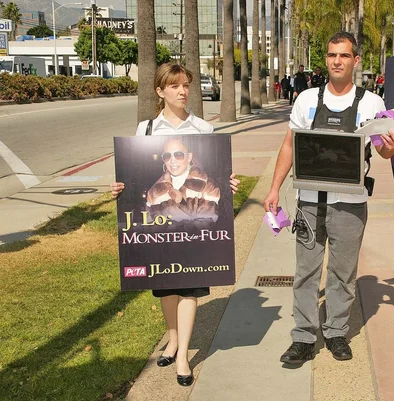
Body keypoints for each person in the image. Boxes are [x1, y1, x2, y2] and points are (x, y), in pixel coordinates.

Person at [263, 31, 394, 365]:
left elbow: (384, 151)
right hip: (309, 201)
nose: (337, 61)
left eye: (344, 55)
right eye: (332, 55)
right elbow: (288, 145)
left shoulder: (372, 103)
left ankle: (336, 332)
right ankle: (304, 338)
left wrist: (392, 144)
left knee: (342, 272)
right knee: (306, 272)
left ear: (355, 60)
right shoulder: (307, 99)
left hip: (350, 204)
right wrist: (274, 187)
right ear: (326, 59)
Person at [110, 62, 240, 387]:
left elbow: (217, 182)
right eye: (175, 86)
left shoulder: (203, 131)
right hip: (161, 231)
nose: (182, 91)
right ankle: (172, 339)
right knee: (166, 288)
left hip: (195, 231)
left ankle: (183, 356)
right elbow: (134, 180)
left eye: (185, 85)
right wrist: (119, 188)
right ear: (160, 91)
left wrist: (229, 183)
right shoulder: (147, 131)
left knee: (188, 288)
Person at [146, 137, 221, 225]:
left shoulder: (207, 186)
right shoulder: (154, 192)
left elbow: (207, 224)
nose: (172, 161)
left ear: (189, 157)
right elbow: (150, 226)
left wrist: (180, 201)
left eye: (178, 155)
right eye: (167, 156)